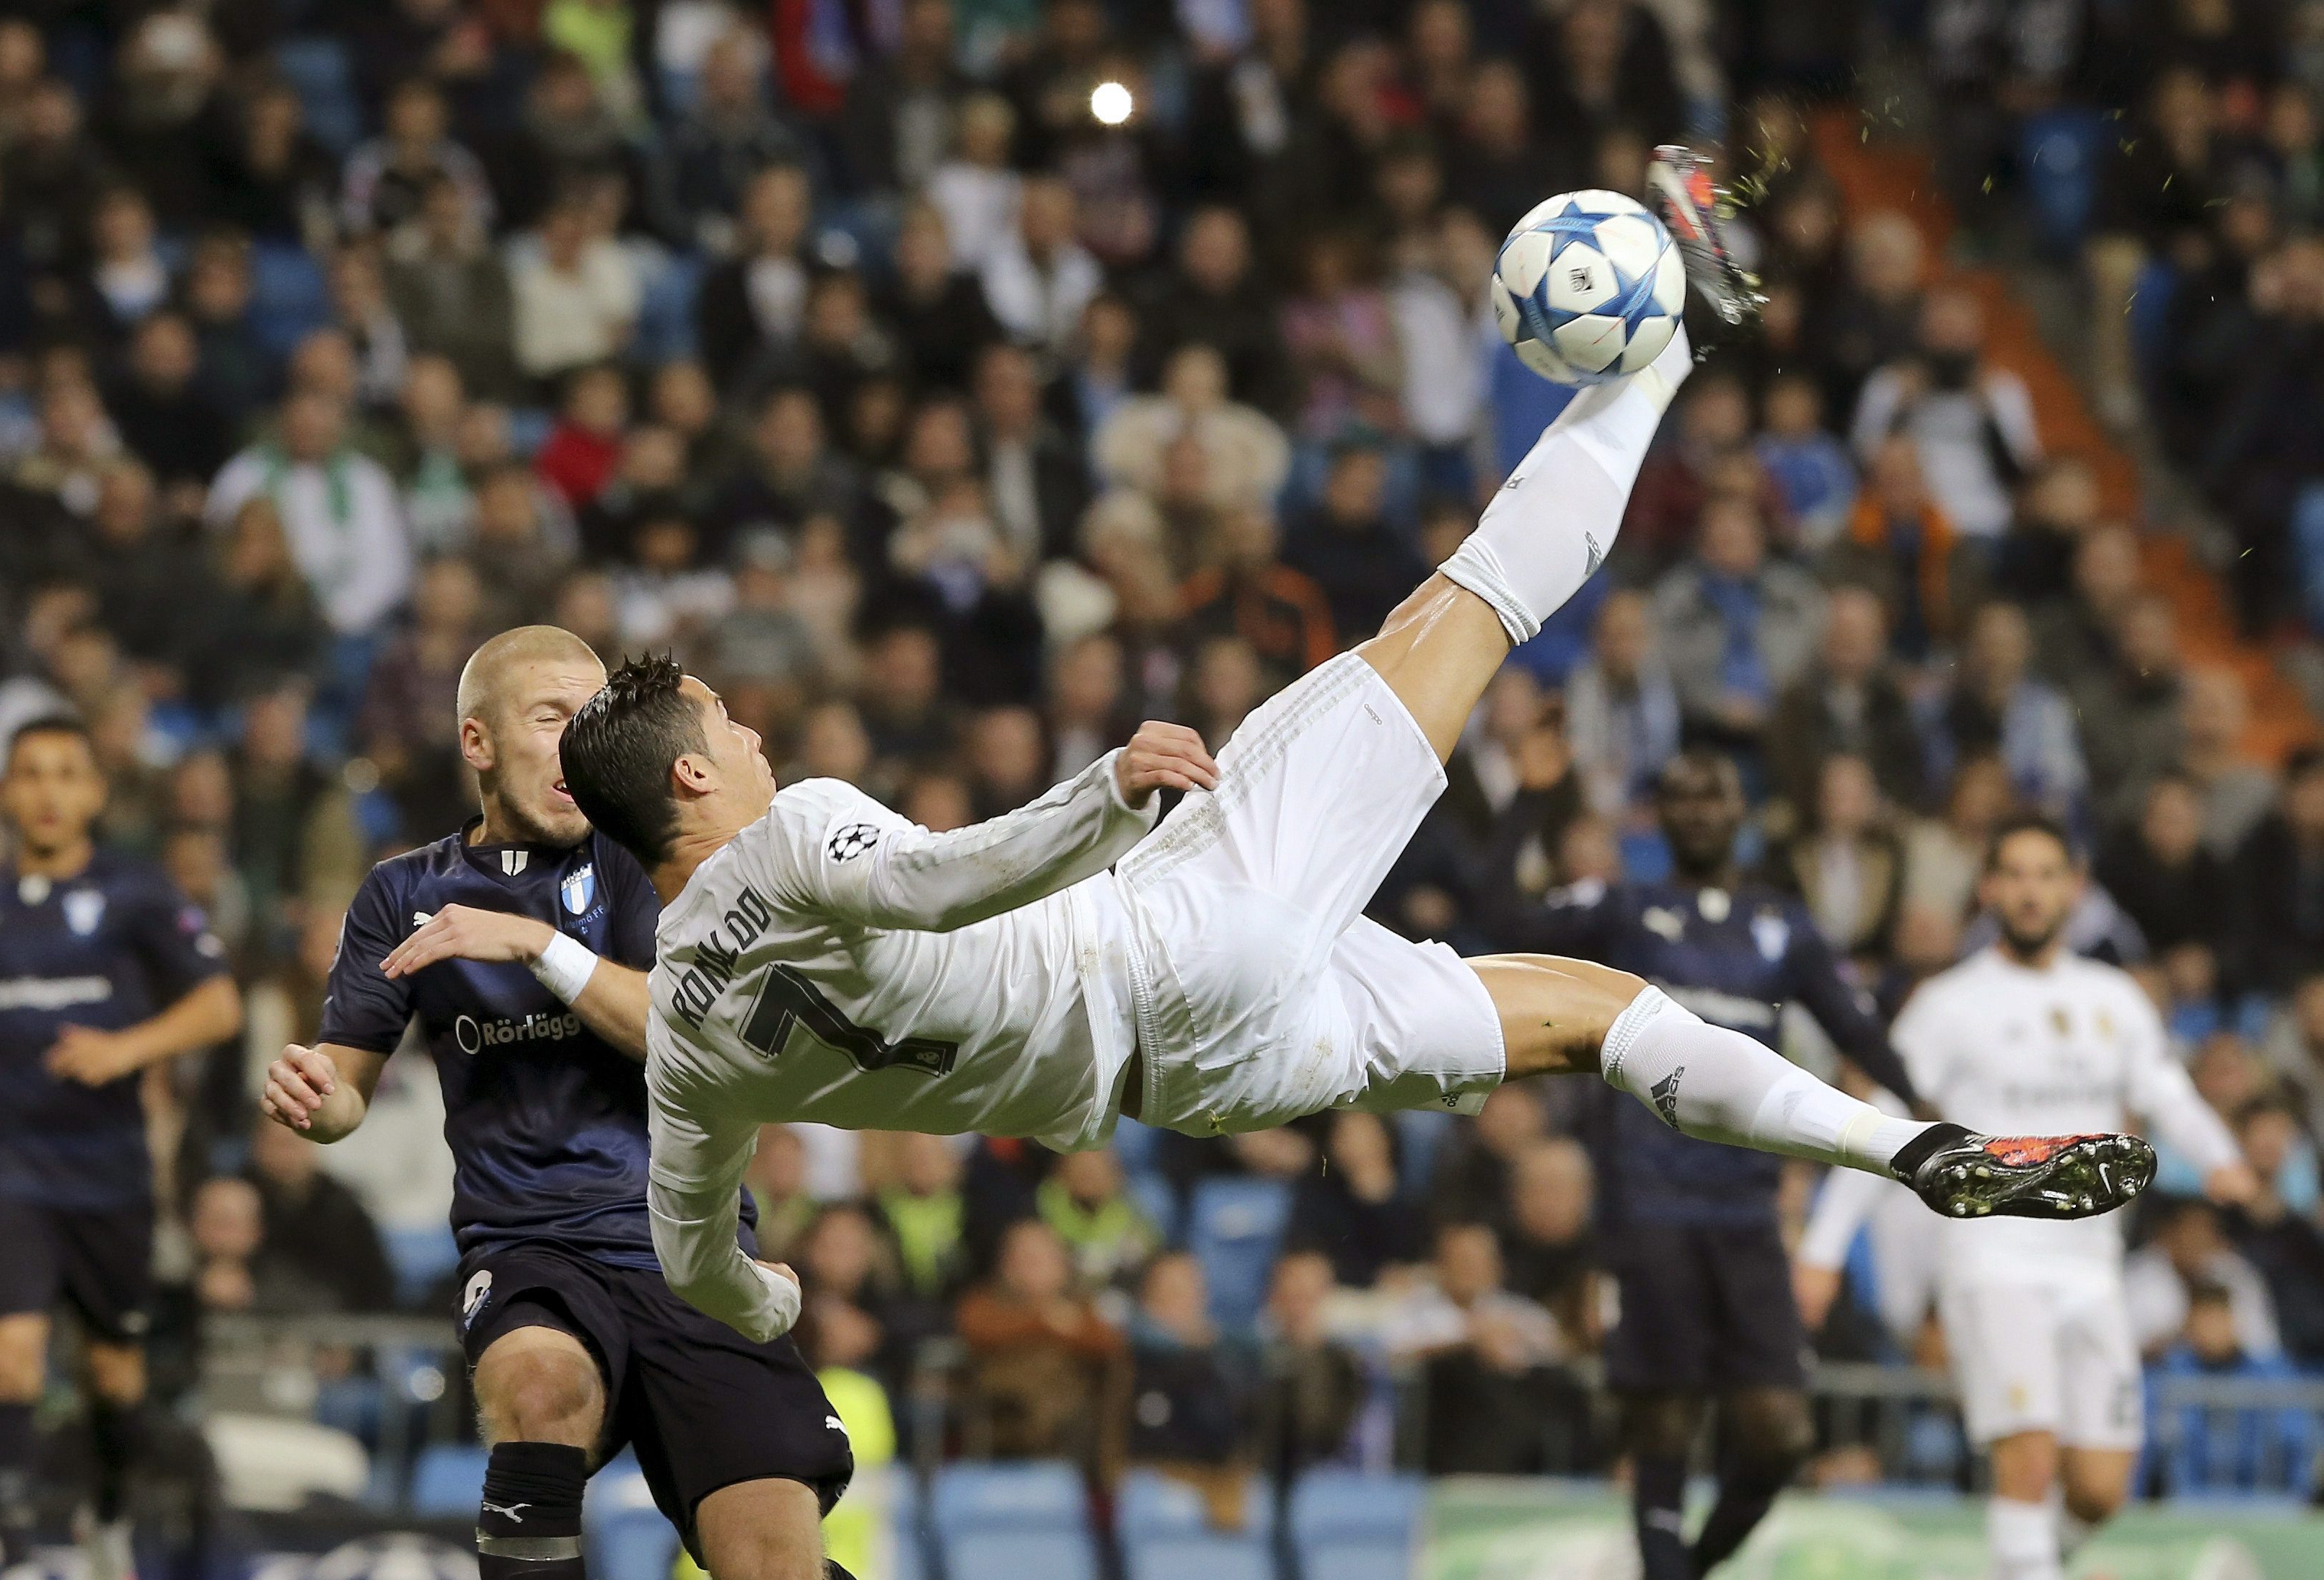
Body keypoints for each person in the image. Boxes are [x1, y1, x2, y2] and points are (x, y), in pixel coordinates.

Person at [562, 154, 2150, 1408]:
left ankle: (1914, 1151)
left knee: (1597, 1015)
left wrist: (769, 1302)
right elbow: (934, 877)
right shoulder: (794, 836)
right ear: (695, 775)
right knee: (1459, 610)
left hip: (1191, 1084)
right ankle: (1677, 341)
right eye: (734, 720)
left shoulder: (689, 1052)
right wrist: (1105, 794)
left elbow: (697, 1259)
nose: (760, 730)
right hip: (1175, 935)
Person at [258, 625, 1024, 1580]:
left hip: (688, 1240)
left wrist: (537, 951)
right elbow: (348, 1086)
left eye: (590, 712)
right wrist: (316, 1094)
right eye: (551, 715)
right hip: (530, 1242)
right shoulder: (406, 890)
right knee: (536, 1384)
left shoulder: (657, 863)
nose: (576, 742)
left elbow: (691, 1034)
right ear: (480, 741)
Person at [1524, 749, 1929, 1580]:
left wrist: (1938, 1130)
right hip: (1649, 1209)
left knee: (1781, 1435)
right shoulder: (1621, 914)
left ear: (1745, 813)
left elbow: (1861, 1033)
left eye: (1715, 792)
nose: (1701, 807)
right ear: (1656, 812)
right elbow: (1509, 928)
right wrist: (1544, 792)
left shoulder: (1780, 928)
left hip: (1745, 1215)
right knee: (1661, 1423)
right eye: (1682, 793)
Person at [1889, 816, 2254, 1580]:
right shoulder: (1946, 1004)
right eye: (2012, 873)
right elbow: (1886, 1116)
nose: (2029, 890)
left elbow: (2165, 1089)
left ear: (2074, 887)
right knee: (2029, 1460)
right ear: (1987, 888)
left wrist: (2220, 1155)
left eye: (2046, 874)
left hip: (2092, 1264)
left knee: (2099, 1487)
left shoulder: (2115, 999)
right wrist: (1823, 1249)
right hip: (1992, 1250)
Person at [0, 716, 242, 1580]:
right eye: (31, 774)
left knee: (115, 1382)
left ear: (96, 794)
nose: (50, 791)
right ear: (6, 796)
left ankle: (104, 1521)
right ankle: (20, 1571)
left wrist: (127, 1049)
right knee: (11, 1359)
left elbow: (219, 1004)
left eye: (68, 773)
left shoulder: (136, 893)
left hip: (110, 1178)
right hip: (11, 1170)